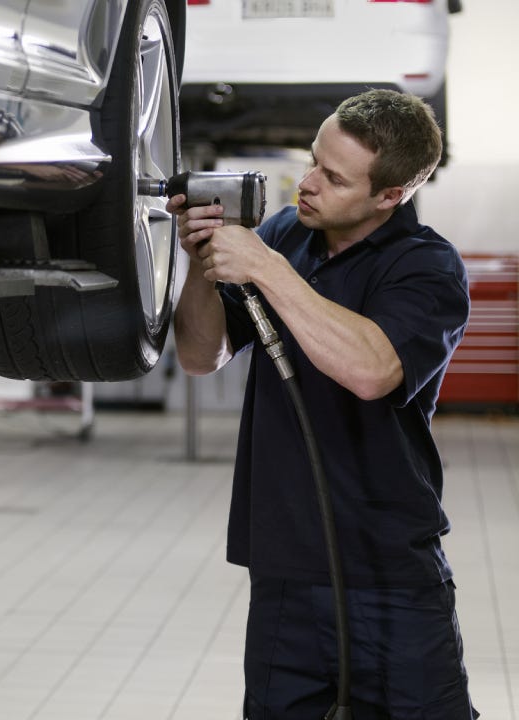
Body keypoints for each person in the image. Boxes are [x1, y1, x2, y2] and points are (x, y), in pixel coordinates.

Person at [168, 89, 479, 719]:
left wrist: (266, 268)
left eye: (333, 178)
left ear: (390, 196)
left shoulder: (426, 267)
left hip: (389, 572)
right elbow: (202, 355)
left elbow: (372, 370)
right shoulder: (286, 234)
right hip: (284, 569)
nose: (306, 184)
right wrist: (203, 262)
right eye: (312, 161)